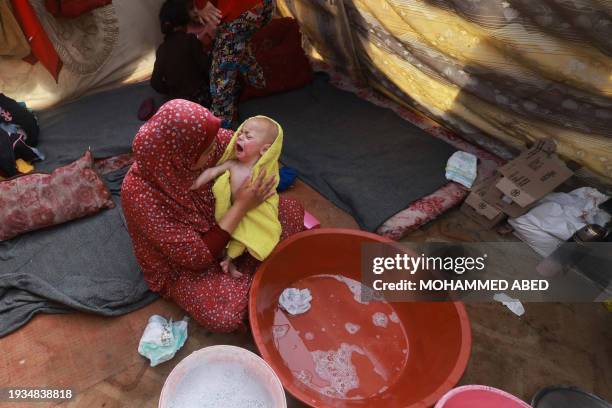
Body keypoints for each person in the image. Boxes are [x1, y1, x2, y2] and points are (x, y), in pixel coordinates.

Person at [121, 99, 304, 332]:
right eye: (206, 152)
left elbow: (262, 155)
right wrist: (241, 207)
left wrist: (258, 170)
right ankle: (256, 270)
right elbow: (194, 259)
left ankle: (248, 272)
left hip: (228, 223)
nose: (214, 151)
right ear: (181, 158)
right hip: (186, 263)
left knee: (291, 211)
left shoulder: (210, 142)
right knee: (224, 315)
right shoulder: (141, 193)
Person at [190, 116, 282, 278]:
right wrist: (196, 183)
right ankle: (227, 260)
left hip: (252, 213)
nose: (240, 137)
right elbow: (212, 172)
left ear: (265, 150)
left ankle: (229, 260)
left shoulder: (261, 173)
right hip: (231, 211)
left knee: (243, 239)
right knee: (228, 236)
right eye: (241, 133)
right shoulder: (233, 165)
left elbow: (269, 192)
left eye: (248, 136)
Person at [193, 0, 274, 127]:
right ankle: (258, 83)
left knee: (220, 75)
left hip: (240, 12)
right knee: (237, 46)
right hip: (262, 6)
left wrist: (201, 4)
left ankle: (220, 130)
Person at [151, 0, 211, 106]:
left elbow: (155, 83)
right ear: (184, 18)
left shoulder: (162, 49)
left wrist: (171, 92)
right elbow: (207, 68)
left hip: (178, 105)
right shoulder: (190, 40)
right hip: (199, 100)